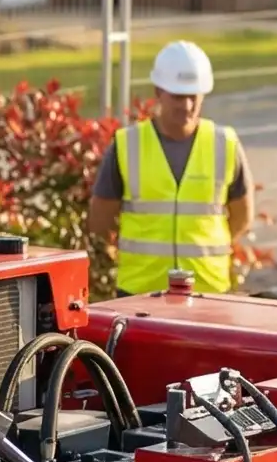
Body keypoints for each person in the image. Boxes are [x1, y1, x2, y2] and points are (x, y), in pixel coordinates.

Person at [89, 39, 252, 295]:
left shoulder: (225, 144)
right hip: (141, 290)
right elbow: (100, 219)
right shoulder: (127, 144)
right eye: (178, 96)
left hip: (208, 289)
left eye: (192, 97)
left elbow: (242, 215)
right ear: (158, 92)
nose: (186, 105)